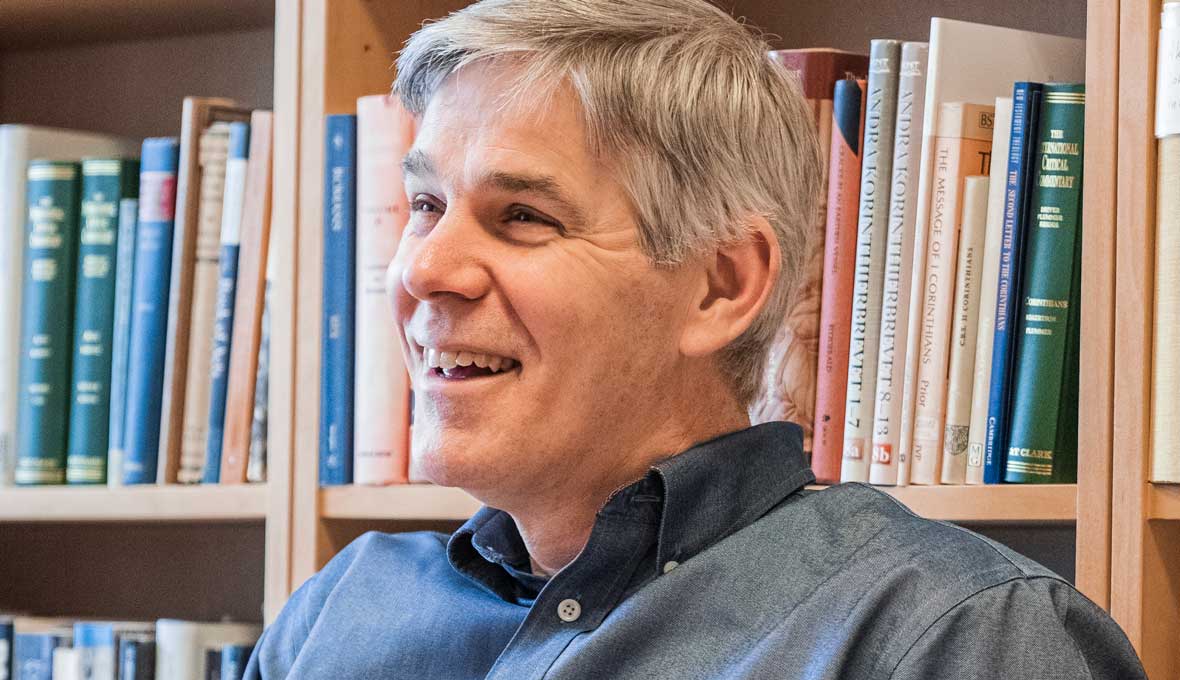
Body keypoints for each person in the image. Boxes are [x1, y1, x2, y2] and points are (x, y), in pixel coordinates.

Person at [245, 0, 1146, 677]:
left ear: (722, 286)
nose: (424, 270)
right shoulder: (337, 615)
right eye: (426, 204)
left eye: (522, 216)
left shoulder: (955, 635)